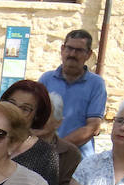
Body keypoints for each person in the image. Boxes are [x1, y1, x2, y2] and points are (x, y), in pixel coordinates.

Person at [40, 29, 107, 157]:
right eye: (69, 48)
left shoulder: (96, 84)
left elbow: (93, 127)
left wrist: (57, 147)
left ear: (88, 55)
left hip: (78, 159)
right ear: (62, 49)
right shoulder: (46, 79)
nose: (72, 54)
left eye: (79, 50)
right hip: (45, 156)